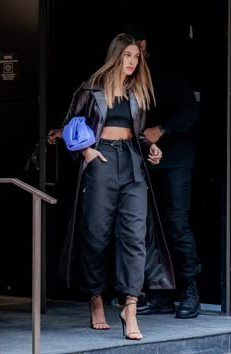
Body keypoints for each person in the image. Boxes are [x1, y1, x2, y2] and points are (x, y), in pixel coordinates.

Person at [55, 33, 175, 340]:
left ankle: (130, 306)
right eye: (128, 56)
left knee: (135, 236)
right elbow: (70, 123)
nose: (134, 62)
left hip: (132, 162)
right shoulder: (92, 87)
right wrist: (86, 151)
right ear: (116, 56)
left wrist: (151, 147)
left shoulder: (138, 91)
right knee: (96, 233)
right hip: (102, 159)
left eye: (137, 57)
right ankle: (96, 298)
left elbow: (137, 133)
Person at [129, 27, 202, 319]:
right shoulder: (127, 81)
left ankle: (190, 290)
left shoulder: (166, 73)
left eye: (133, 50)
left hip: (175, 161)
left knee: (176, 224)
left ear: (143, 46)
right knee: (146, 228)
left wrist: (161, 130)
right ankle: (158, 293)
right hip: (142, 163)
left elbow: (190, 112)